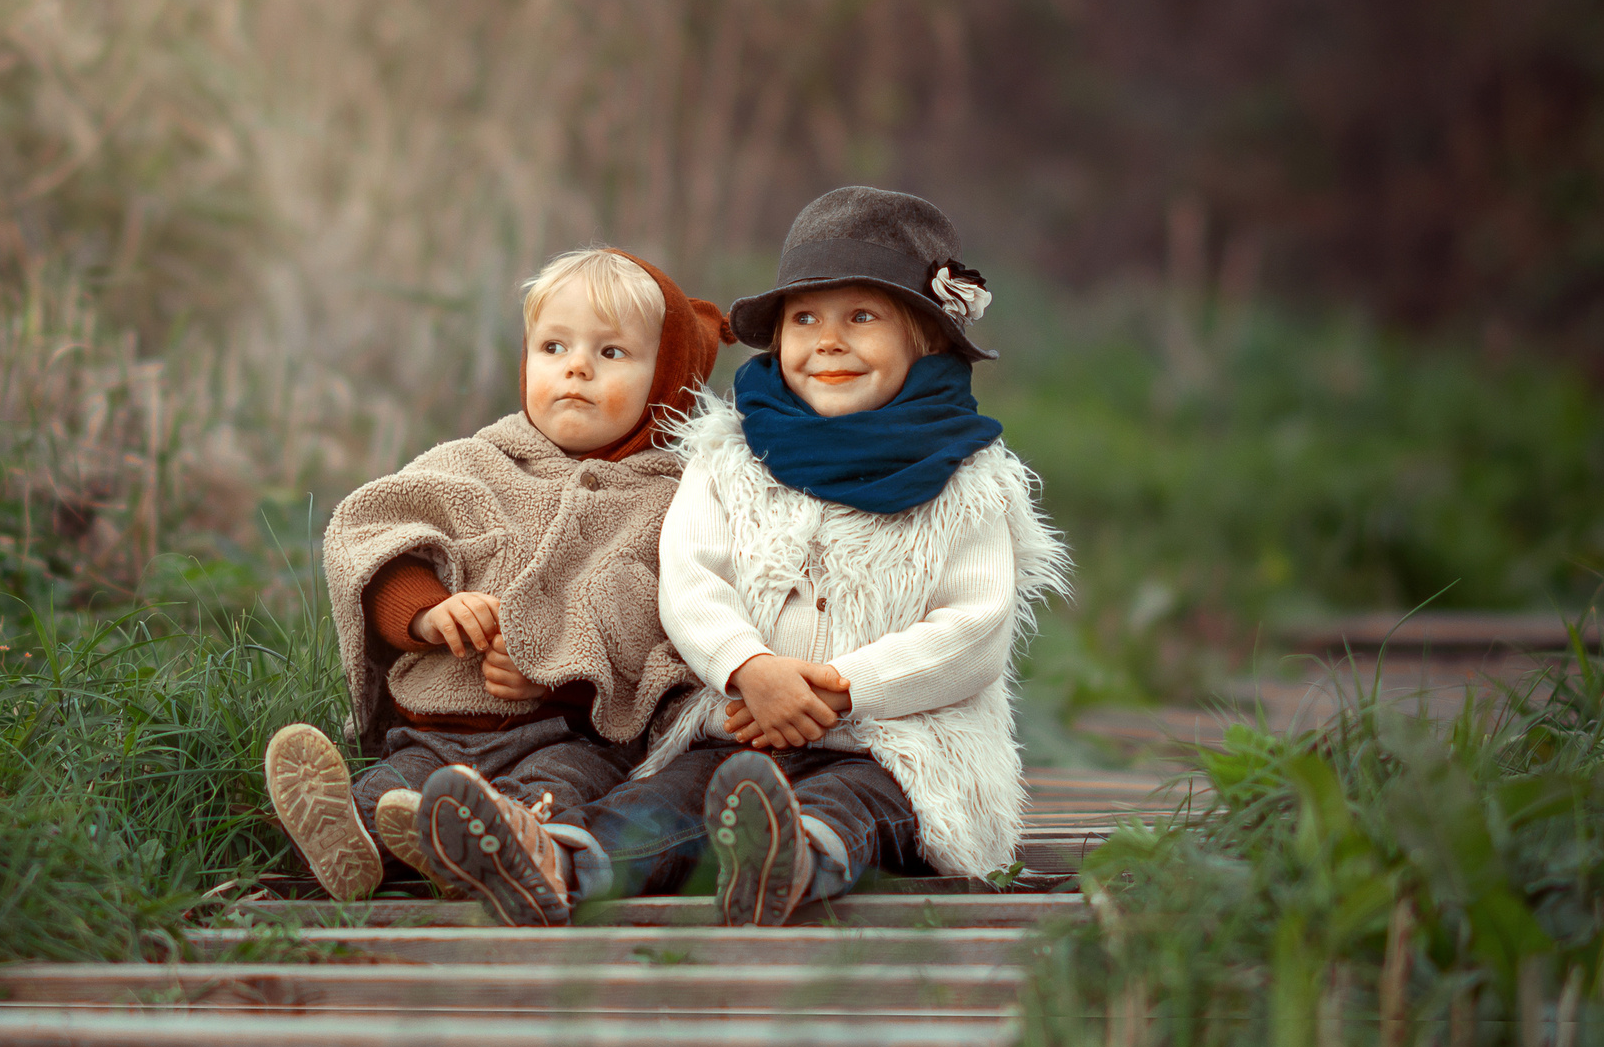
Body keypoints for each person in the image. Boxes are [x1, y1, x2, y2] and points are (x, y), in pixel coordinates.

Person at [422, 187, 1070, 926]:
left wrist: (840, 687)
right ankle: (561, 862)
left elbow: (974, 628)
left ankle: (794, 858)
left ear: (926, 337)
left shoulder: (969, 478)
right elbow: (692, 579)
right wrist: (748, 668)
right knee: (667, 799)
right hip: (741, 716)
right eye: (805, 318)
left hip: (895, 742)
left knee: (856, 802)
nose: (828, 340)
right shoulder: (730, 455)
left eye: (861, 316)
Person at [264, 247, 732, 909]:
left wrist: (564, 670)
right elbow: (371, 531)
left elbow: (666, 622)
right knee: (395, 786)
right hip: (434, 729)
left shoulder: (671, 501)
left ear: (669, 379)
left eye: (612, 354)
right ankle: (354, 842)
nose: (576, 366)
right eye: (553, 346)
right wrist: (426, 614)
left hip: (568, 737)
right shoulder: (474, 463)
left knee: (551, 792)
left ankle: (485, 845)